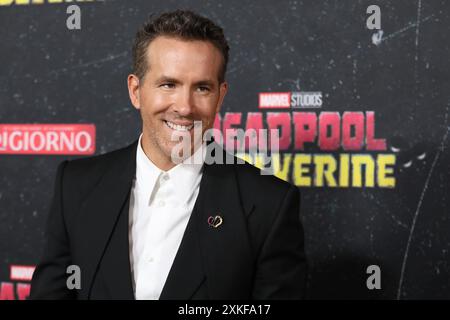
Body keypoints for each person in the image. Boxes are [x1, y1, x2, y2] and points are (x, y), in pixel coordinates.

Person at [30, 9, 307, 300]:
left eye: (202, 88)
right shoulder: (75, 185)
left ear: (220, 96)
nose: (185, 107)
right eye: (168, 85)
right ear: (135, 91)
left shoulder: (268, 205)